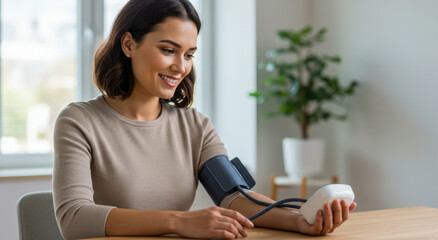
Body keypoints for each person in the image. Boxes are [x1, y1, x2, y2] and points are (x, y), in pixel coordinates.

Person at [52, 0, 357, 239]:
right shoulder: (79, 121)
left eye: (189, 54)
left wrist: (299, 220)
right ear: (129, 44)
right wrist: (180, 221)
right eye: (168, 50)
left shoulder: (194, 126)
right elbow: (75, 219)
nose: (180, 67)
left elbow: (235, 198)